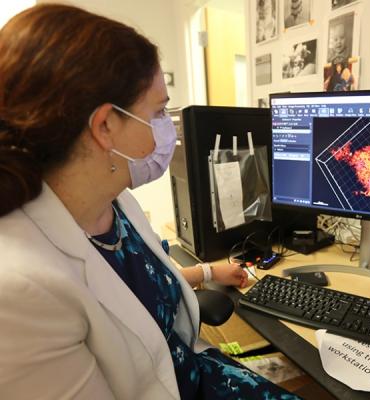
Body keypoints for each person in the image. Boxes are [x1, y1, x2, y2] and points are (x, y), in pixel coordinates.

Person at [0, 5, 300, 400]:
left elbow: (134, 288)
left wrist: (209, 272)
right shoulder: (21, 292)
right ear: (105, 126)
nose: (166, 130)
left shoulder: (114, 202)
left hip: (195, 370)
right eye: (159, 112)